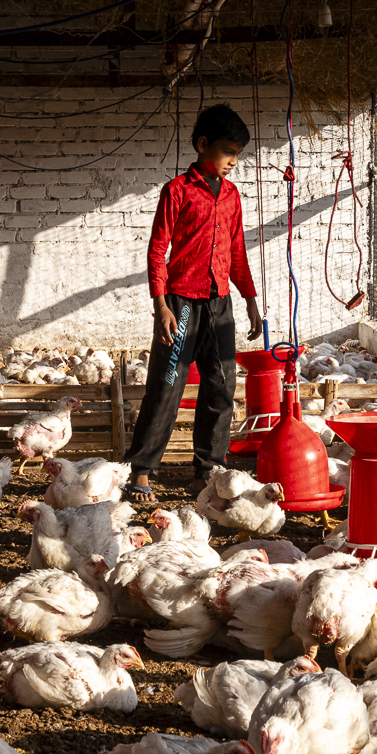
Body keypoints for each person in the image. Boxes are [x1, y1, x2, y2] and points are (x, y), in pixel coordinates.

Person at [123, 103, 264, 502]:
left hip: (220, 304)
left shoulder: (233, 196)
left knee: (221, 388)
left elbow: (237, 251)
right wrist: (162, 305)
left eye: (238, 155)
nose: (233, 162)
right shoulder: (177, 191)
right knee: (166, 387)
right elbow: (156, 251)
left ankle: (207, 471)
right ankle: (142, 471)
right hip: (180, 305)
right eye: (227, 152)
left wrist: (249, 299)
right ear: (203, 145)